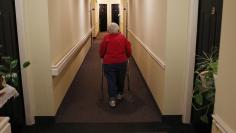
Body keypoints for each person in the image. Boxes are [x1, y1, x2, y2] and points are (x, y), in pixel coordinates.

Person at [99, 22, 132, 107]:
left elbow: (102, 49)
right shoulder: (122, 38)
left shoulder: (106, 38)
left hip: (109, 63)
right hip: (121, 62)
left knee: (111, 80)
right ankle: (119, 94)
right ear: (118, 29)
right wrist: (127, 56)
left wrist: (102, 56)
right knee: (121, 78)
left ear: (108, 30)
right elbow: (128, 49)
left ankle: (112, 99)